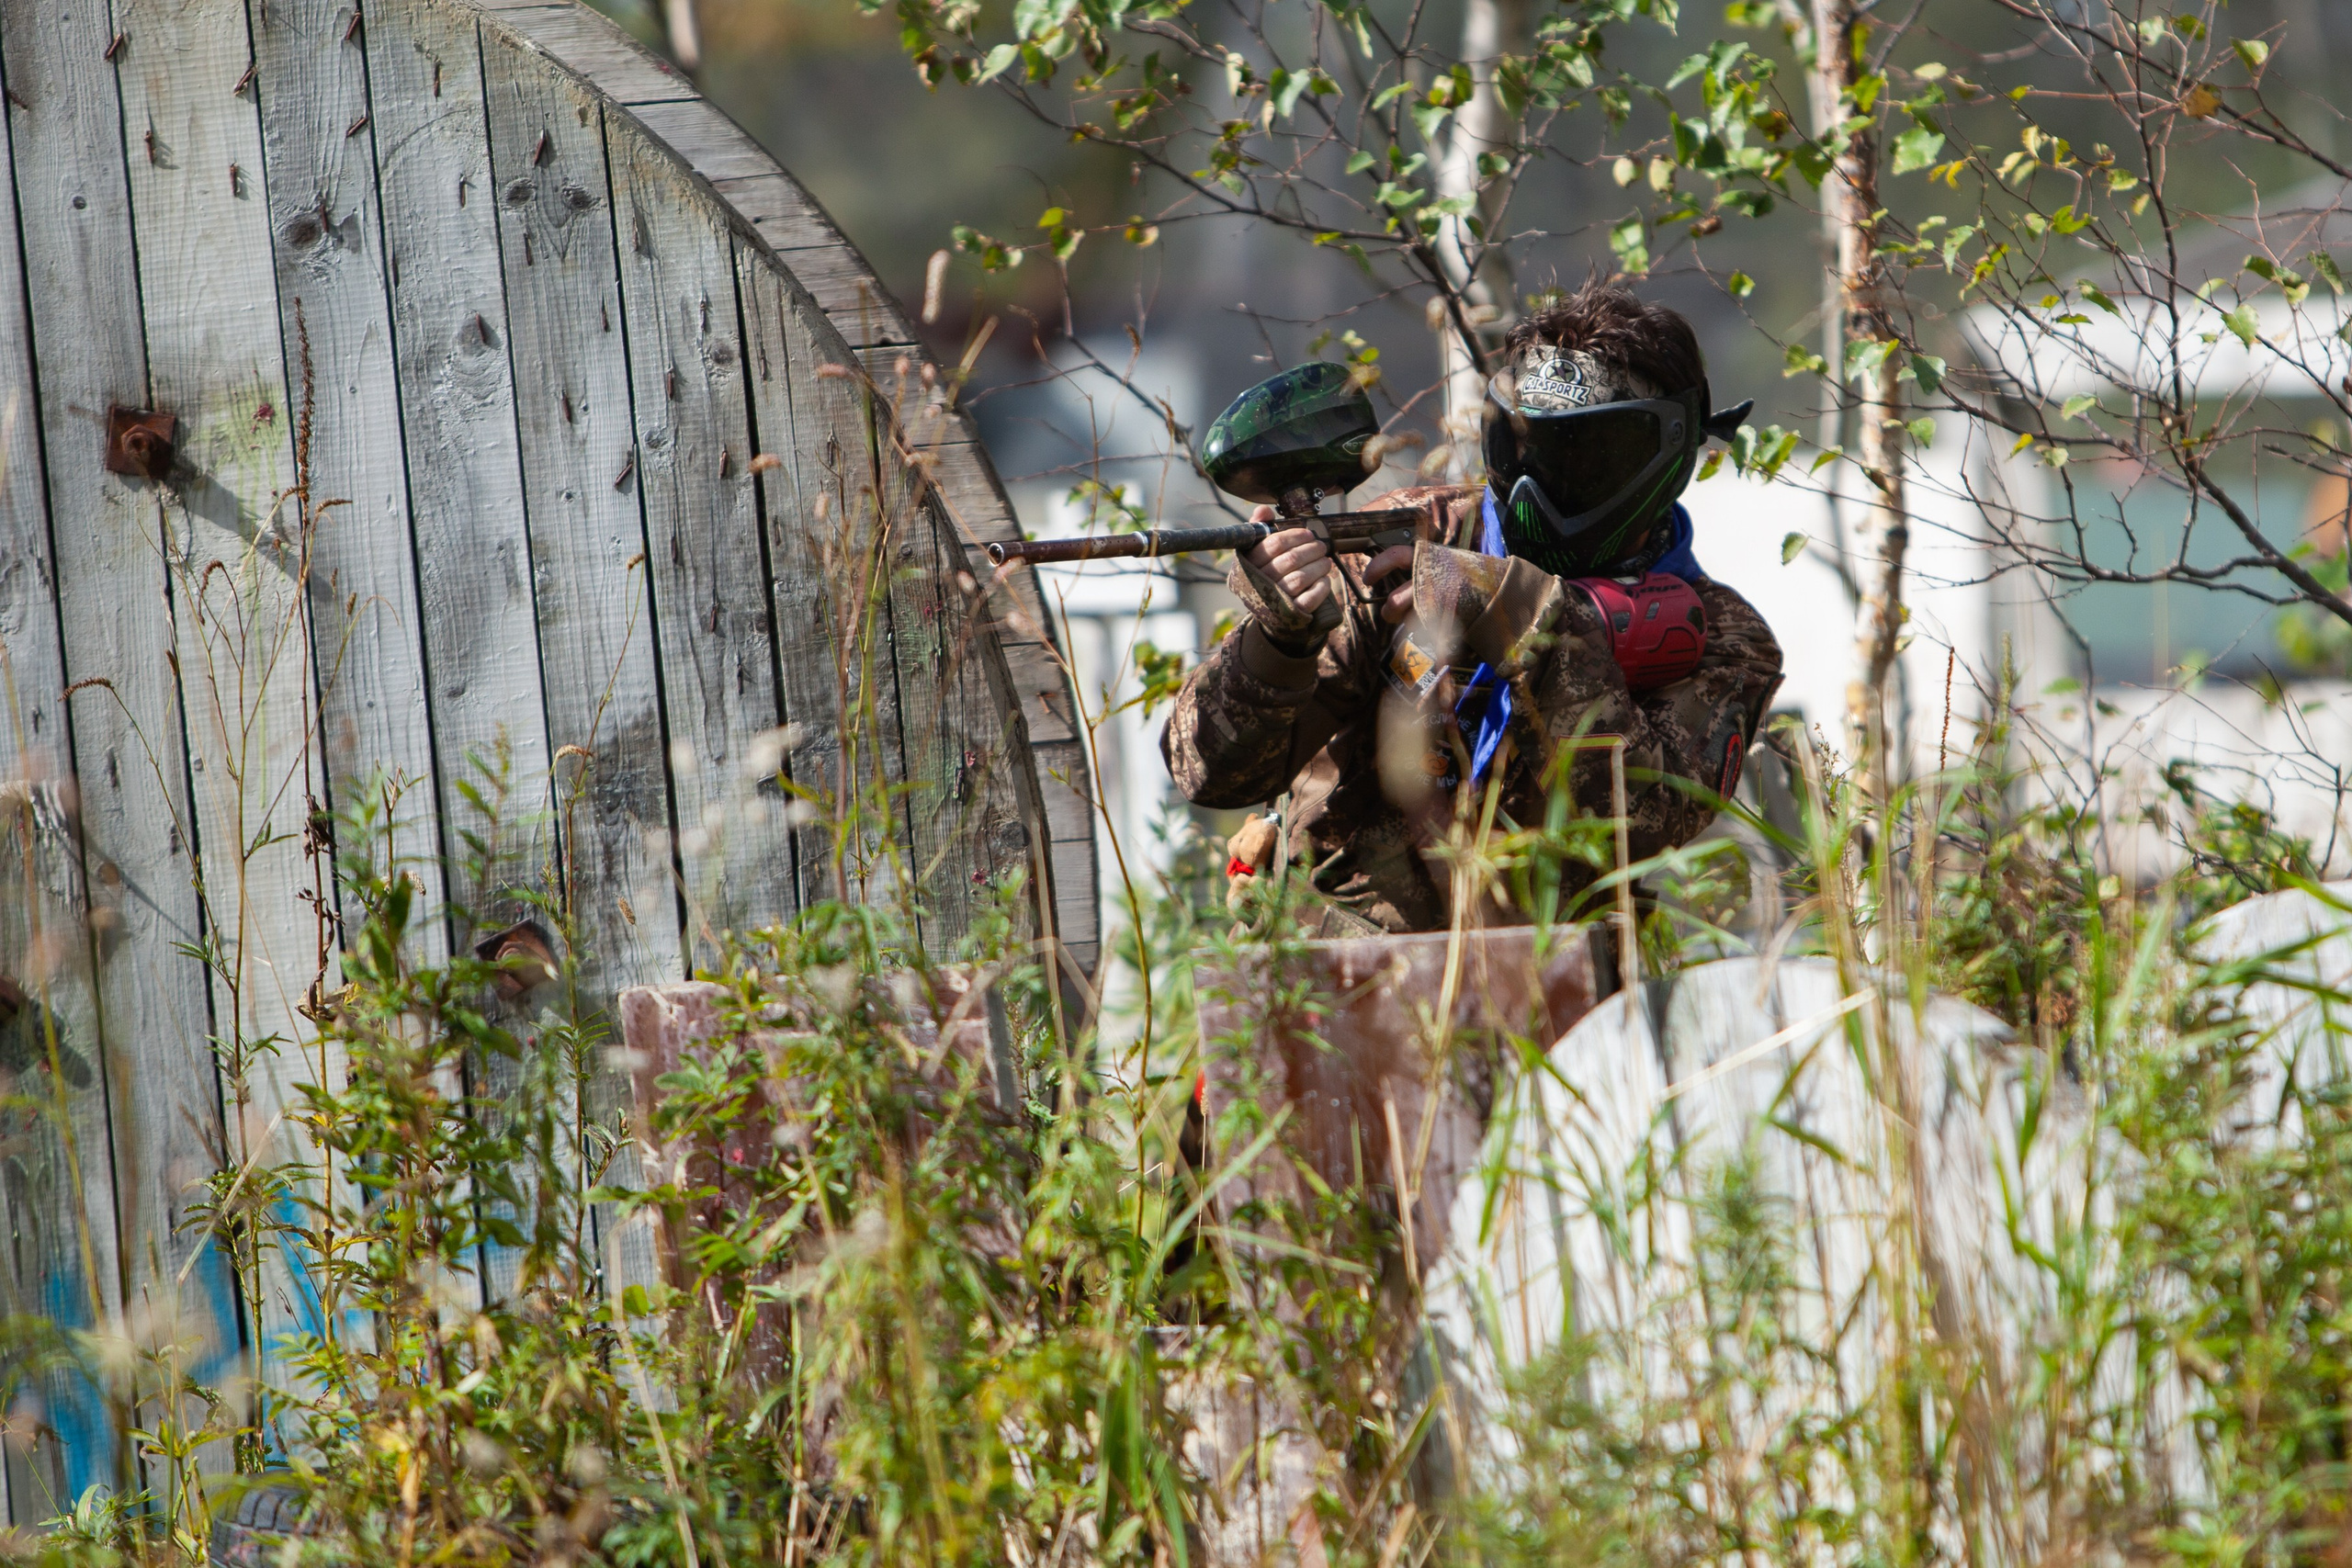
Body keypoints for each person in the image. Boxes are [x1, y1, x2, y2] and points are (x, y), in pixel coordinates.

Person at [1161, 282, 1785, 936]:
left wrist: (1522, 617)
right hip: (1338, 986)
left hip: (1555, 1002)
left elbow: (1637, 824)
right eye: (1522, 451)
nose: (1535, 492)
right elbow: (1207, 770)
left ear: (1664, 460)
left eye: (1583, 462)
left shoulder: (1721, 640)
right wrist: (1279, 643)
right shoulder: (1403, 550)